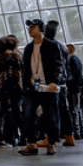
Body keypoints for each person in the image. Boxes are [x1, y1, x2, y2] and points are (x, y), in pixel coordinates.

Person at [19, 19, 64, 156]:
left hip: (48, 86)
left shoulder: (51, 46)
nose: (30, 29)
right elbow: (25, 68)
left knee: (50, 115)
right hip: (32, 87)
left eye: (33, 27)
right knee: (28, 114)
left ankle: (51, 143)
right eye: (29, 27)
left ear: (41, 28)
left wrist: (55, 82)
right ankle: (31, 144)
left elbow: (58, 65)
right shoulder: (28, 48)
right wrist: (26, 84)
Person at [0, 36, 24, 147]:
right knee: (17, 112)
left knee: (6, 113)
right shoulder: (18, 56)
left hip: (3, 88)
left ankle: (10, 137)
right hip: (17, 87)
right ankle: (23, 136)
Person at [66, 44, 83, 140]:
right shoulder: (77, 59)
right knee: (77, 109)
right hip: (77, 87)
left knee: (73, 110)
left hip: (73, 88)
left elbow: (72, 76)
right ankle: (80, 132)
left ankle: (76, 132)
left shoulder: (71, 61)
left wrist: (68, 88)